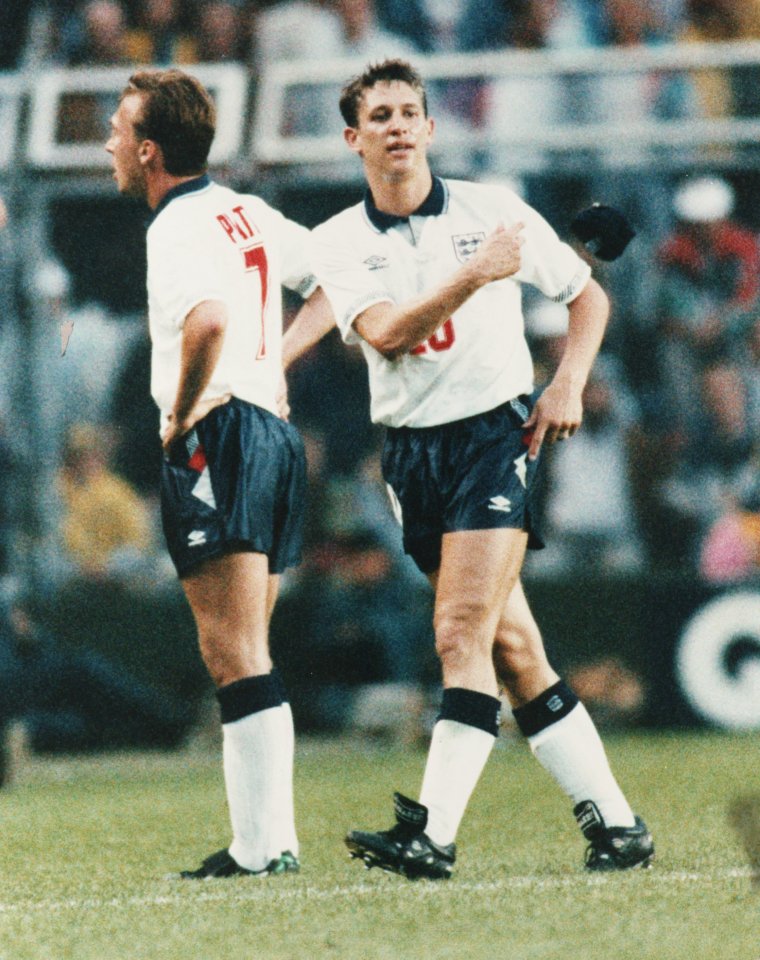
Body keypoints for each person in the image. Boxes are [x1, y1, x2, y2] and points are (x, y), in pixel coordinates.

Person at [283, 59, 654, 879]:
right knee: (516, 650)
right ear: (354, 138)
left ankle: (433, 836)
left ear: (431, 127)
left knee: (459, 633)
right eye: (378, 115)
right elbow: (385, 335)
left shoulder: (494, 210)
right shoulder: (338, 242)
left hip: (494, 437)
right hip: (412, 455)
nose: (398, 126)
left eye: (410, 111)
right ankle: (619, 827)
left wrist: (566, 382)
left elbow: (586, 295)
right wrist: (474, 275)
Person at [105, 67, 332, 879]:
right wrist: (276, 360)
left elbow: (205, 319)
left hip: (219, 433)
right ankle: (265, 843)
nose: (110, 144)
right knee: (249, 648)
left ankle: (264, 848)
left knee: (231, 650)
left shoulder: (174, 227)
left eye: (119, 130)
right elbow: (333, 284)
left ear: (151, 149)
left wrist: (180, 413)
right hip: (270, 430)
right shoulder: (248, 210)